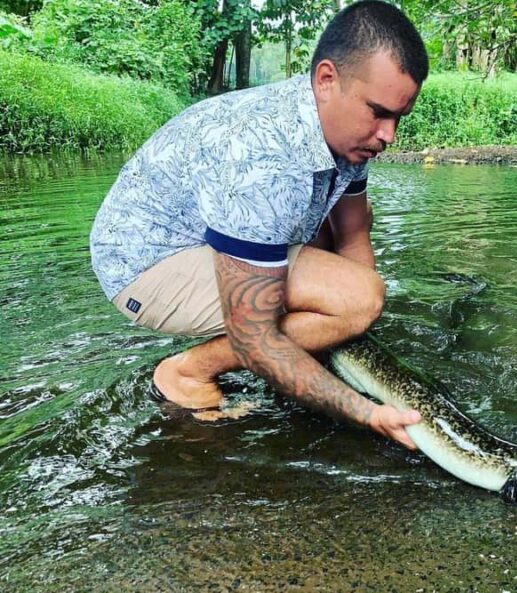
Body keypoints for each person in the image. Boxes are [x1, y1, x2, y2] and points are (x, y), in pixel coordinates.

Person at [89, 0, 428, 449]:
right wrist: (365, 411)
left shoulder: (349, 134)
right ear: (327, 80)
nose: (390, 135)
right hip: (144, 264)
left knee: (354, 296)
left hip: (211, 237)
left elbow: (351, 234)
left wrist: (357, 337)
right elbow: (254, 338)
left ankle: (311, 342)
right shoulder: (262, 158)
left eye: (397, 118)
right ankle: (188, 372)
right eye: (378, 113)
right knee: (356, 300)